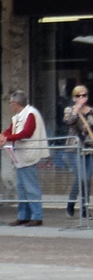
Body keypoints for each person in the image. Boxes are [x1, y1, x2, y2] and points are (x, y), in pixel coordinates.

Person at [0, 89, 47, 227]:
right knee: (21, 188)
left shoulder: (30, 114)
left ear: (16, 103)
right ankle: (23, 215)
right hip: (20, 156)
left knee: (31, 187)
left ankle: (37, 216)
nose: (10, 106)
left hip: (28, 155)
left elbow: (27, 133)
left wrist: (6, 138)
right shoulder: (19, 116)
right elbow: (11, 130)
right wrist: (3, 135)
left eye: (11, 103)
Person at [63, 85, 93, 219]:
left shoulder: (91, 111)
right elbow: (69, 122)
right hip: (74, 149)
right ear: (73, 97)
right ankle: (82, 208)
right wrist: (76, 110)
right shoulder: (69, 110)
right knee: (81, 178)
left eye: (84, 95)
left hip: (89, 149)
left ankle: (78, 205)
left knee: (85, 179)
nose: (81, 98)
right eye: (78, 96)